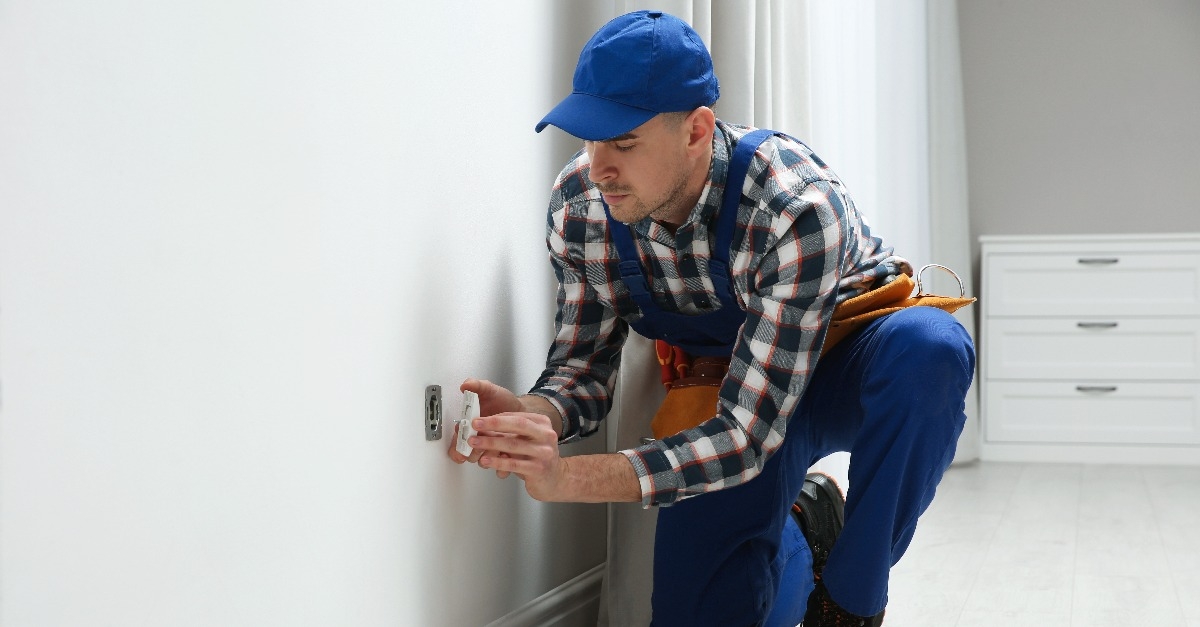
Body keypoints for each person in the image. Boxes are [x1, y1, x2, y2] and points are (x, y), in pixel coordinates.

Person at [447, 10, 975, 627]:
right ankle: (805, 527)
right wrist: (533, 414)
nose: (599, 168)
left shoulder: (792, 206)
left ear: (696, 130)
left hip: (843, 370)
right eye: (589, 139)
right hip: (728, 392)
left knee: (930, 349)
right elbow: (582, 371)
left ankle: (849, 601)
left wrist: (570, 479)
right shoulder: (582, 207)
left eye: (623, 143)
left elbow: (749, 437)